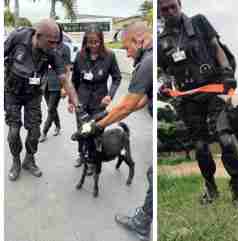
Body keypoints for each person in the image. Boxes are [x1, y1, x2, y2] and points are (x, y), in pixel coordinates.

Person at [158, 0, 238, 206]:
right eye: (165, 9)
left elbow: (216, 48)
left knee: (225, 139)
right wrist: (163, 85)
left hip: (214, 88)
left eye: (173, 6)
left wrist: (226, 72)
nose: (170, 12)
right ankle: (211, 188)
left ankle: (237, 187)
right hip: (188, 97)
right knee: (200, 146)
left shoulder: (199, 22)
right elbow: (164, 71)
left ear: (180, 5)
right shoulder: (162, 41)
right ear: (160, 13)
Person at [76, 22, 153, 241]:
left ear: (138, 40)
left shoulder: (147, 62)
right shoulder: (148, 59)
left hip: (101, 108)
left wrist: (99, 125)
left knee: (151, 174)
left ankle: (142, 223)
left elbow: (126, 106)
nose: (127, 54)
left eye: (127, 48)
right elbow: (138, 103)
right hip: (86, 103)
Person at [4, 18, 79, 181]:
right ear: (38, 36)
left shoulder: (52, 52)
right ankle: (16, 161)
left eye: (56, 42)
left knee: (35, 132)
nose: (54, 46)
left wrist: (75, 101)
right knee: (13, 132)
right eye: (51, 42)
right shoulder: (17, 38)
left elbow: (64, 79)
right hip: (12, 93)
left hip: (33, 94)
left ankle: (29, 160)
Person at [70, 26, 122, 170]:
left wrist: (109, 95)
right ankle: (81, 155)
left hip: (99, 102)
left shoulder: (110, 56)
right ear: (85, 42)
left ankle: (94, 159)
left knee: (96, 131)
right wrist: (71, 100)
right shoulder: (80, 56)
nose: (93, 45)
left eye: (96, 42)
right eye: (90, 42)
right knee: (82, 130)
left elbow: (117, 78)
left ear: (101, 41)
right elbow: (74, 80)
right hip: (82, 100)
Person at [39, 42, 71, 142]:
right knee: (52, 109)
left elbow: (67, 69)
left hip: (57, 84)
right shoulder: (45, 46)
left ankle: (44, 132)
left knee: (50, 109)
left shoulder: (65, 48)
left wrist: (64, 87)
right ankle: (58, 126)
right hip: (45, 84)